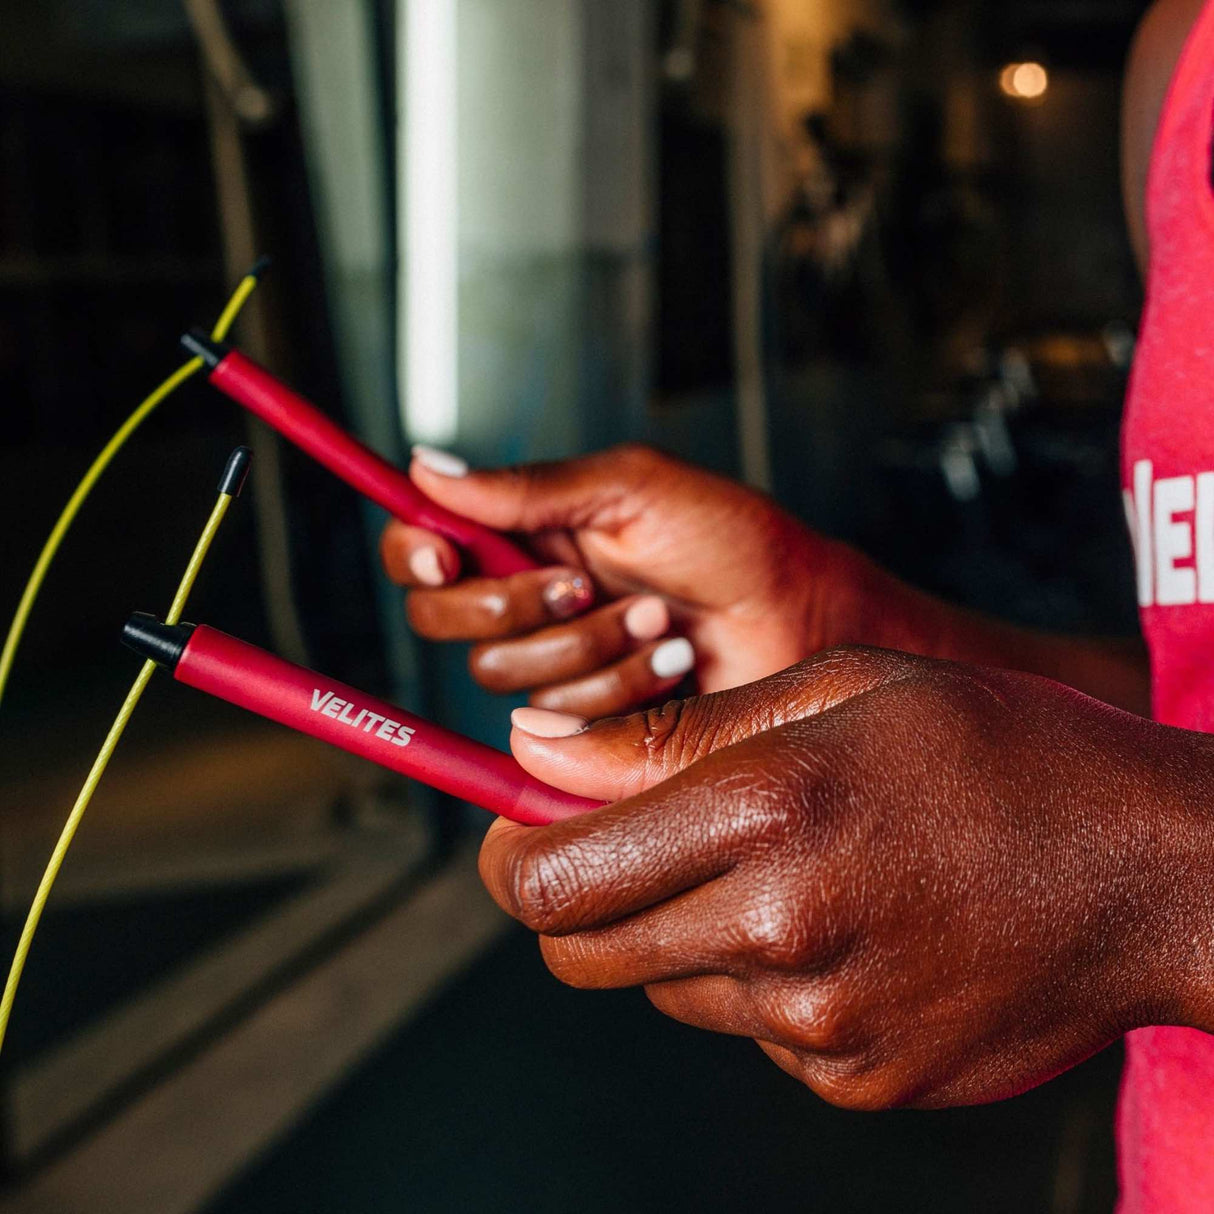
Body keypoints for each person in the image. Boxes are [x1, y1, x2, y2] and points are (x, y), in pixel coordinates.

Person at [380, 0, 1214, 1206]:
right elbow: (1183, 707)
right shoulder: (1176, 65)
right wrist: (835, 623)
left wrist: (1170, 887)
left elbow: (1168, 827)